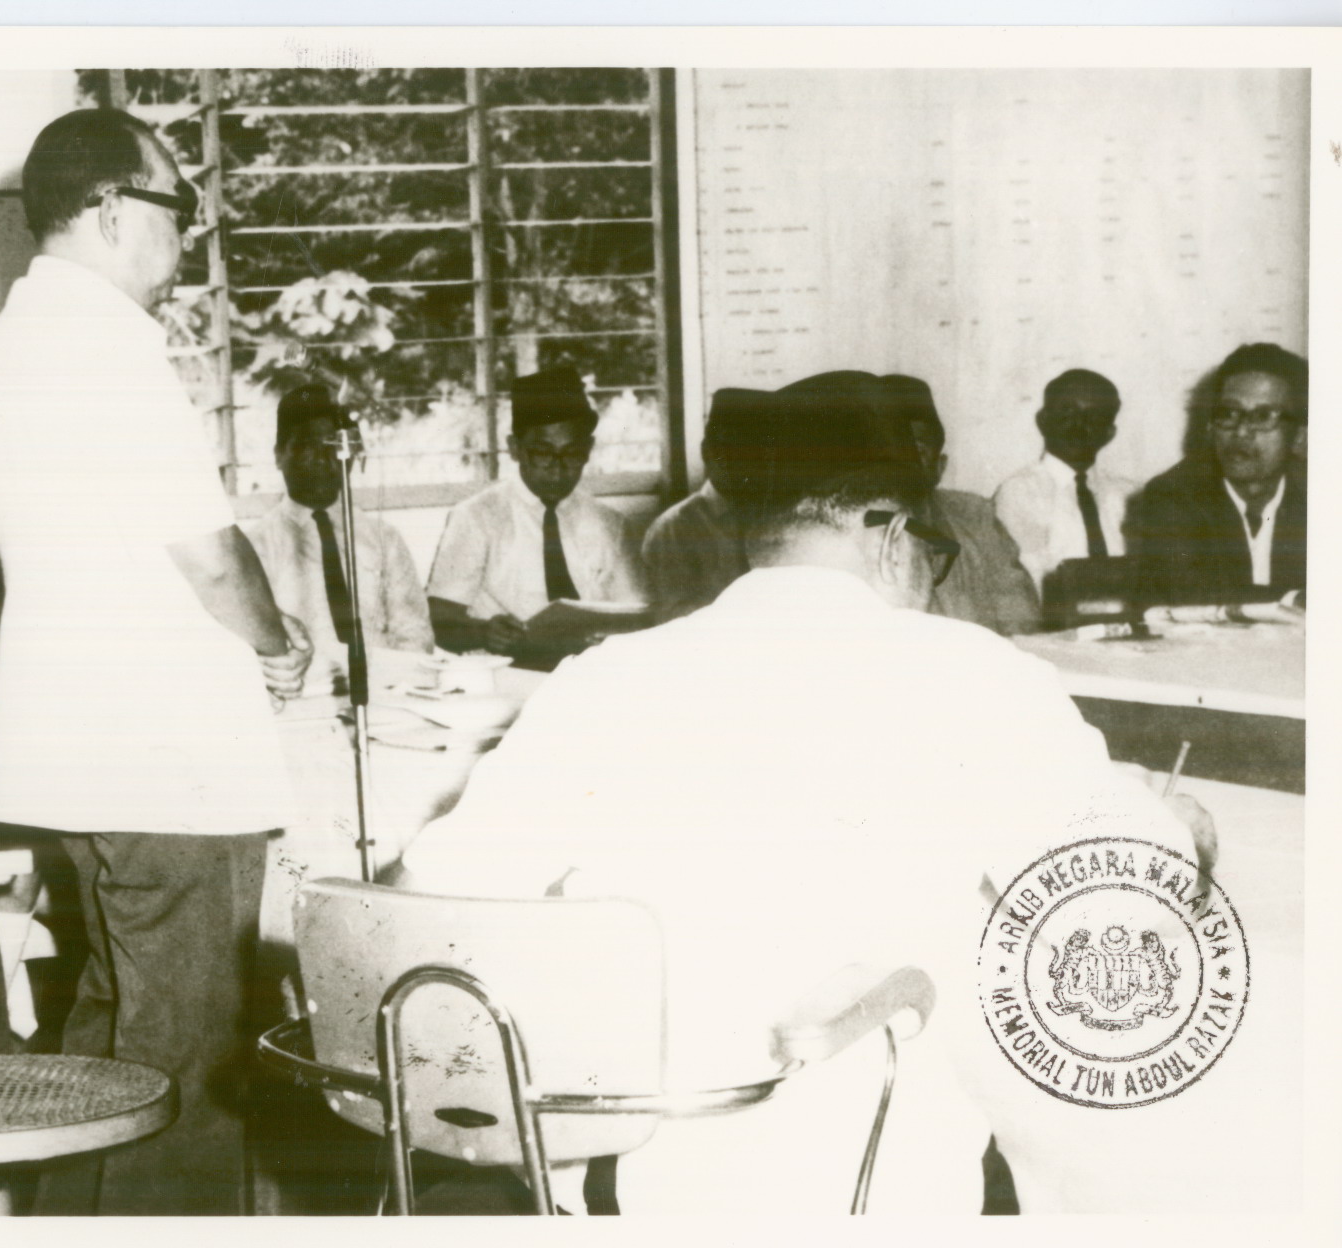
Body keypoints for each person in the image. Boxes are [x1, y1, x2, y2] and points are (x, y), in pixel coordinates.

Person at [395, 376, 1208, 1214]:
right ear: (894, 537)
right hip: (867, 1180)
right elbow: (1124, 909)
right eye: (934, 556)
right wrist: (1174, 829)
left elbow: (425, 905)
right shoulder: (977, 675)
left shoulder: (601, 676)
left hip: (608, 1178)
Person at [0, 107, 310, 1216]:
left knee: (108, 1033)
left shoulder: (1, 348)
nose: (187, 237)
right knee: (195, 1052)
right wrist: (278, 645)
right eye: (179, 210)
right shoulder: (106, 345)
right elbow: (208, 554)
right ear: (111, 209)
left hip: (78, 749)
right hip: (170, 758)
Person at [427, 366, 646, 669]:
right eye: (543, 453)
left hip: (588, 675)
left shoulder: (610, 525)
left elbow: (638, 616)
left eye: (572, 454)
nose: (558, 468)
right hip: (507, 676)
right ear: (515, 449)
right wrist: (483, 633)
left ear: (588, 449)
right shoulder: (477, 518)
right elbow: (439, 621)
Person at [241, 383, 433, 691]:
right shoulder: (254, 548)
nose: (323, 458)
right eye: (308, 445)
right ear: (279, 455)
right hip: (302, 697)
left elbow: (414, 634)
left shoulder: (384, 539)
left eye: (334, 446)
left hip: (386, 693)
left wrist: (402, 688)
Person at [1127, 343, 1307, 604]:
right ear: (1210, 427)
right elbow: (1191, 595)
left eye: (1263, 416)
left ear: (1300, 437)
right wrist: (1297, 599)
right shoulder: (1173, 494)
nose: (1241, 431)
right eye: (1229, 413)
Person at [879, 373, 1041, 635]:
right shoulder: (840, 528)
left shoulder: (975, 518)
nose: (903, 462)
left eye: (918, 450)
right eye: (888, 449)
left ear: (940, 466)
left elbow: (1022, 620)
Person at [992, 369, 1136, 595]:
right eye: (1067, 411)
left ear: (1109, 433)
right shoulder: (1020, 492)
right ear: (1043, 420)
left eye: (1093, 416)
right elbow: (1023, 583)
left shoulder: (1131, 496)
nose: (1078, 425)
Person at [640, 387, 753, 622]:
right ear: (706, 452)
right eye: (727, 450)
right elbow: (669, 618)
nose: (740, 462)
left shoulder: (775, 516)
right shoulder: (674, 530)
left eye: (750, 452)